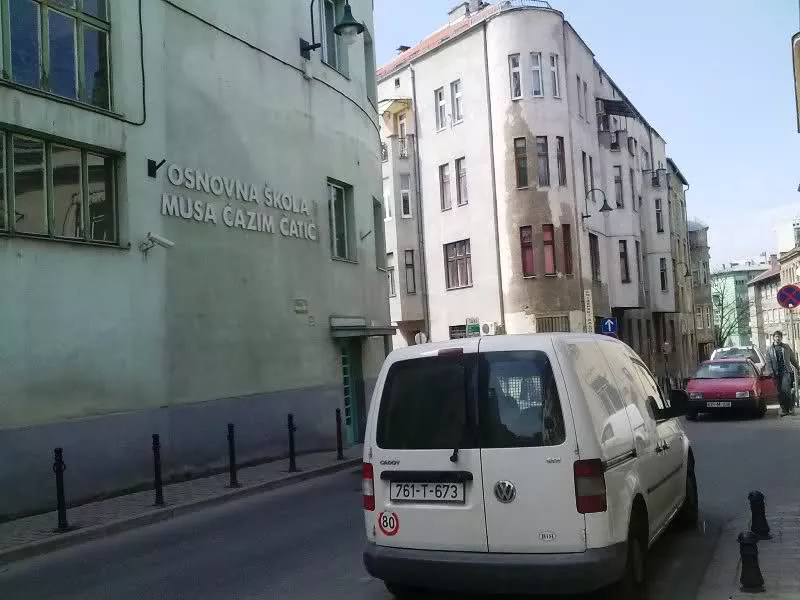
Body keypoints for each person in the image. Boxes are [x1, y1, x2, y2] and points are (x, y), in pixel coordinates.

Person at [765, 331, 800, 416]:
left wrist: (798, 368)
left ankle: (790, 408)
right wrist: (771, 372)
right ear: (773, 338)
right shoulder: (769, 349)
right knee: (779, 392)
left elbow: (792, 359)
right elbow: (768, 362)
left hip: (786, 371)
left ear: (781, 338)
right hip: (776, 373)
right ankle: (784, 409)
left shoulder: (786, 347)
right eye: (776, 336)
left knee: (786, 390)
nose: (778, 338)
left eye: (779, 337)